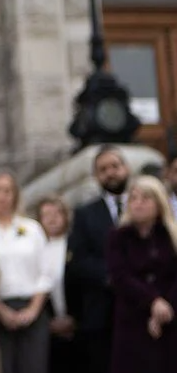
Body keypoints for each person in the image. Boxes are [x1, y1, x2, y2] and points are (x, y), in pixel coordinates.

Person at [0, 171, 50, 373]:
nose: (2, 196)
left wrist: (33, 310)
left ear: (15, 195)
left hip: (32, 308)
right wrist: (0, 309)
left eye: (8, 191)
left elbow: (45, 272)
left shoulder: (32, 228)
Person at [65, 145, 130, 373]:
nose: (110, 173)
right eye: (103, 169)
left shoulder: (145, 205)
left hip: (144, 309)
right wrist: (114, 277)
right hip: (102, 314)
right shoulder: (85, 214)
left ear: (126, 168)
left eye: (115, 166)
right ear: (96, 176)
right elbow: (78, 262)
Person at [105, 175, 177, 371]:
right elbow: (120, 276)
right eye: (133, 198)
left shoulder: (171, 236)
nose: (138, 204)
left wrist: (165, 306)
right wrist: (153, 302)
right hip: (133, 319)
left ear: (159, 203)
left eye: (145, 199)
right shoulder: (118, 237)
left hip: (169, 318)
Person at [34, 196, 80, 373]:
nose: (52, 219)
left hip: (77, 325)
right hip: (46, 329)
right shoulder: (35, 247)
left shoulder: (76, 245)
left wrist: (74, 320)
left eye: (57, 213)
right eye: (46, 215)